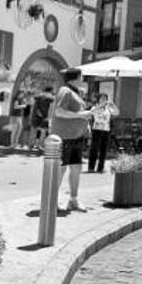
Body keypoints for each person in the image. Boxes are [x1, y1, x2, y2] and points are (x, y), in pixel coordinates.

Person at [52, 68, 93, 211]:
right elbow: (58, 111)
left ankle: (73, 200)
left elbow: (77, 114)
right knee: (61, 169)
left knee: (76, 168)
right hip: (64, 137)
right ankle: (52, 202)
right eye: (82, 76)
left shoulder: (75, 93)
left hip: (76, 137)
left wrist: (84, 119)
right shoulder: (65, 91)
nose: (83, 79)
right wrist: (81, 115)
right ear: (76, 77)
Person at [88, 92, 119, 173]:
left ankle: (100, 168)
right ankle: (91, 167)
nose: (104, 100)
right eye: (102, 99)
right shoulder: (95, 107)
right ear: (98, 99)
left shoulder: (108, 108)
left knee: (103, 150)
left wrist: (113, 105)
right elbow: (91, 112)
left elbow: (117, 112)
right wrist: (100, 106)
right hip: (97, 130)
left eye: (105, 99)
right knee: (94, 149)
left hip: (106, 130)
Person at [29, 87, 53, 151]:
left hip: (35, 116)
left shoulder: (38, 96)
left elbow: (33, 105)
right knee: (43, 131)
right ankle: (40, 146)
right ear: (50, 91)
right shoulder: (50, 97)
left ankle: (31, 145)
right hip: (44, 117)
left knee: (34, 131)